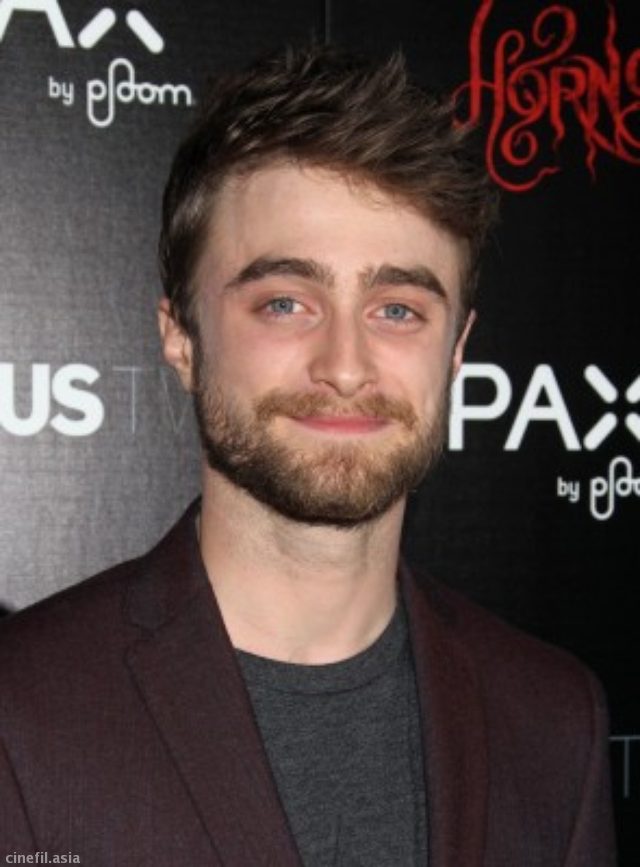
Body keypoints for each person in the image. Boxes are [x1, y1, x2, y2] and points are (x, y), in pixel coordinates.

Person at [0, 45, 615, 866]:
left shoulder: (556, 722)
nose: (346, 366)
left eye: (397, 309)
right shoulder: (21, 709)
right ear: (180, 336)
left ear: (458, 349)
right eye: (286, 302)